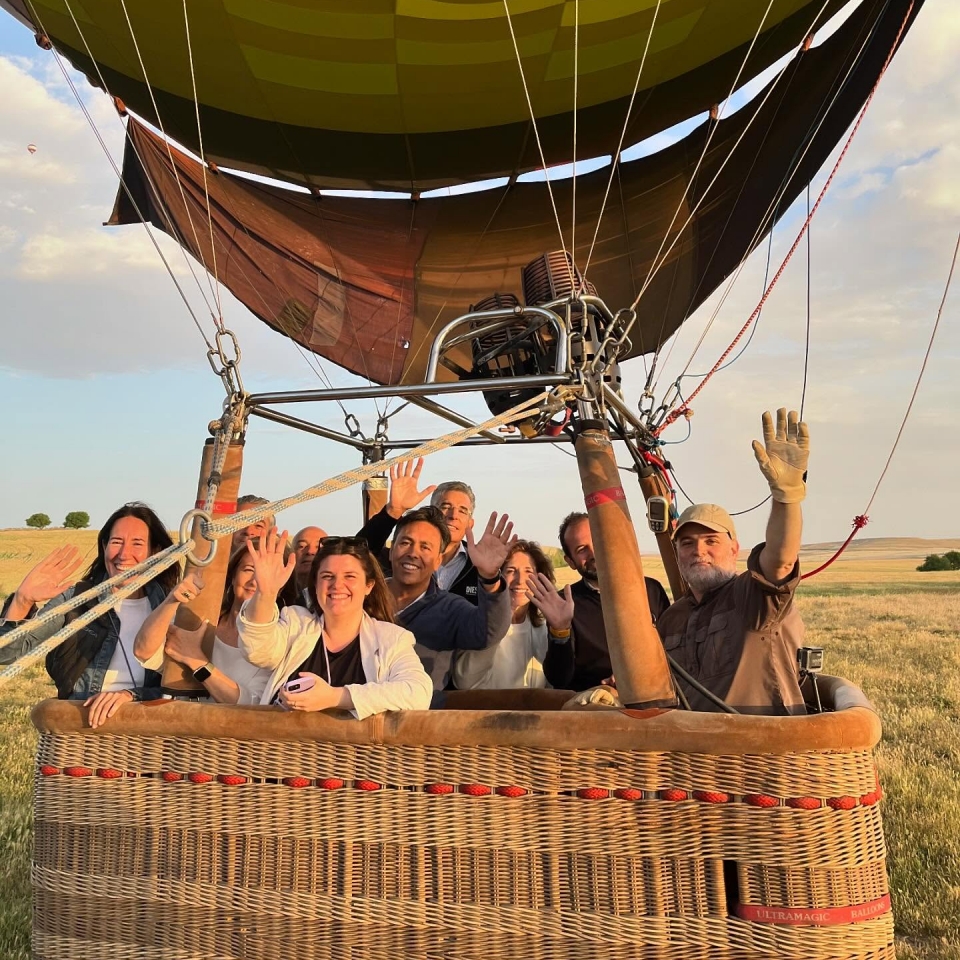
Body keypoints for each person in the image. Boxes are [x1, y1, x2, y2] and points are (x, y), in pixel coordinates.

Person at [656, 407, 810, 715]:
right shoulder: (672, 618)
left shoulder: (750, 598)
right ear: (676, 554)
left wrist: (787, 497)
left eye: (711, 541)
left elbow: (780, 560)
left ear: (734, 549)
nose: (699, 550)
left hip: (761, 754)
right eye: (687, 543)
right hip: (695, 755)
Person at [0, 503, 178, 727]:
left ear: (155, 551)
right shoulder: (76, 600)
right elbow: (6, 653)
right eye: (116, 542)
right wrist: (23, 599)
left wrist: (130, 695)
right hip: (81, 732)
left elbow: (179, 690)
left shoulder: (170, 606)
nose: (124, 555)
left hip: (143, 734)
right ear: (104, 547)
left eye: (137, 544)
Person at [237, 530, 433, 718]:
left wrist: (335, 697)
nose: (337, 585)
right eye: (327, 576)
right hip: (286, 750)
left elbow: (418, 692)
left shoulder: (391, 639)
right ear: (315, 585)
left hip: (358, 752)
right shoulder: (296, 623)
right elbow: (257, 650)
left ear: (368, 586)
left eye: (349, 576)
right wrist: (266, 594)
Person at [537, 511, 670, 691]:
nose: (593, 552)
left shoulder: (650, 589)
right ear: (571, 562)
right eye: (581, 549)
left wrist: (639, 675)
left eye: (597, 540)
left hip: (655, 698)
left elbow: (673, 652)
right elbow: (559, 678)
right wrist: (560, 630)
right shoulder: (564, 603)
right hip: (596, 710)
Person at [386, 506, 513, 691]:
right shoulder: (363, 600)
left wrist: (490, 578)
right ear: (391, 550)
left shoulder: (449, 609)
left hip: (420, 716)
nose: (413, 553)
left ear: (438, 561)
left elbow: (488, 631)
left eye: (425, 547)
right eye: (405, 542)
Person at [133, 546, 273, 704]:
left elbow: (252, 704)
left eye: (266, 574)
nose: (255, 581)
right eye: (248, 569)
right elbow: (143, 650)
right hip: (182, 724)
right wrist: (172, 599)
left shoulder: (277, 641)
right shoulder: (199, 619)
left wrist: (196, 661)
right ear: (233, 576)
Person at [453, 540, 556, 690]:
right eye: (511, 570)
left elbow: (554, 681)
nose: (520, 580)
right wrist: (496, 625)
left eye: (528, 571)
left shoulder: (543, 628)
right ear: (496, 577)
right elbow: (464, 682)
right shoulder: (478, 623)